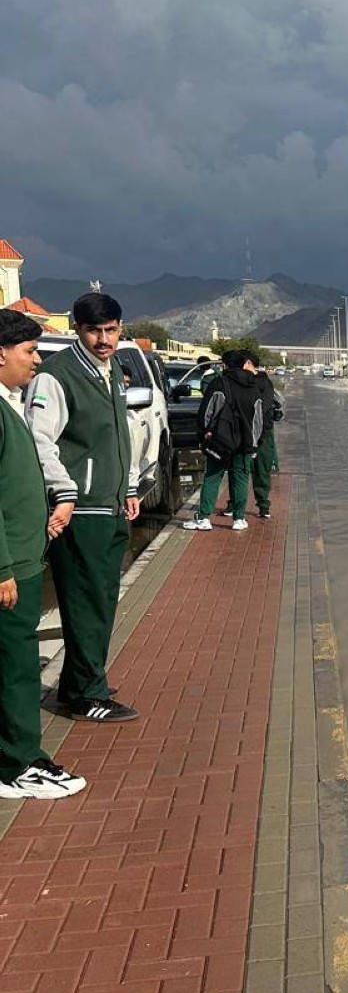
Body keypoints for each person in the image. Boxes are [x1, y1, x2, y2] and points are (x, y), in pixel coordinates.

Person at [25, 289, 140, 723]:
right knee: (86, 602)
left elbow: (120, 435)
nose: (104, 339)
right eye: (94, 331)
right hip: (81, 509)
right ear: (78, 329)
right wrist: (66, 491)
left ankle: (80, 681)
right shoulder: (57, 376)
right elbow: (39, 440)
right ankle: (86, 695)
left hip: (111, 504)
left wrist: (129, 486)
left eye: (111, 330)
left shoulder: (111, 371)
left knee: (103, 600)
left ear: (121, 328)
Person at [0, 310, 89, 798]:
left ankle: (17, 754)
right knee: (16, 666)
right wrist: (3, 568)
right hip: (10, 565)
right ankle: (18, 764)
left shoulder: (10, 402)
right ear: (1, 354)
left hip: (23, 557)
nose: (36, 361)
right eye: (30, 351)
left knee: (15, 661)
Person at [184, 349, 263, 532]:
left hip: (220, 441)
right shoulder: (253, 386)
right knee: (241, 479)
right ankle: (239, 519)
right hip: (245, 443)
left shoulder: (219, 383)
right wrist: (254, 443)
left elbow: (206, 412)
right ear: (244, 364)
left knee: (213, 477)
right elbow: (258, 419)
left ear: (225, 365)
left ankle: (204, 518)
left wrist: (203, 434)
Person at [251, 360, 282, 520]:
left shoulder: (257, 382)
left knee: (241, 472)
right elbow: (279, 403)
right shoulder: (266, 383)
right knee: (261, 471)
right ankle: (263, 506)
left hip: (253, 431)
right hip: (263, 432)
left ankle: (236, 508)